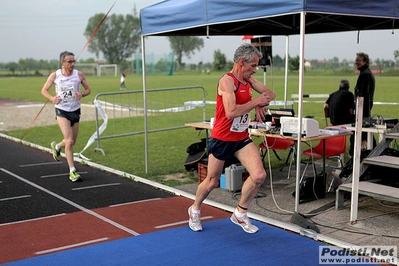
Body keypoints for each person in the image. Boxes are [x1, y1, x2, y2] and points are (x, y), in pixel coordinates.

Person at [188, 43, 276, 233]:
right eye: (253, 66)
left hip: (241, 138)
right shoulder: (227, 81)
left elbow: (270, 94)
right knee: (212, 181)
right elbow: (230, 112)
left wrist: (262, 103)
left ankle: (240, 213)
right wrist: (256, 102)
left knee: (259, 175)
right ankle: (194, 209)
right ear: (242, 62)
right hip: (222, 138)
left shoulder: (249, 80)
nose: (255, 70)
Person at [41, 51, 91, 182]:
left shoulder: (78, 74)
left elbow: (88, 89)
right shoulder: (55, 75)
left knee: (72, 141)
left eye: (73, 61)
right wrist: (52, 98)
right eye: (69, 62)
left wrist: (82, 94)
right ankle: (72, 171)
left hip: (75, 110)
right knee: (69, 141)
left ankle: (57, 147)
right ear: (62, 63)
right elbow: (43, 90)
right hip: (62, 110)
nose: (72, 64)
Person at [349, 52, 376, 155]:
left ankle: (356, 155)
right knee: (364, 133)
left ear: (365, 62)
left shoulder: (365, 75)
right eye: (356, 60)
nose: (356, 62)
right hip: (364, 109)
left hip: (362, 110)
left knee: (360, 133)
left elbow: (363, 95)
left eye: (359, 60)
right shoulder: (366, 73)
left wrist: (358, 110)